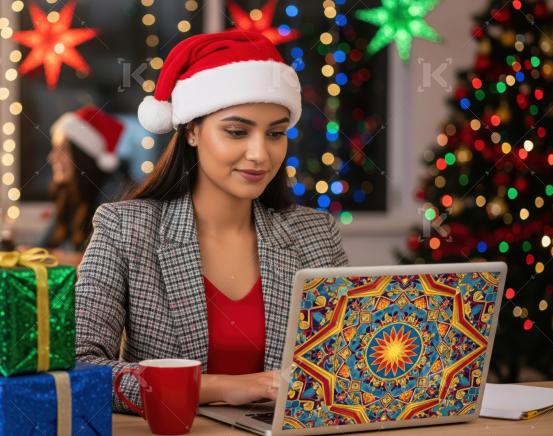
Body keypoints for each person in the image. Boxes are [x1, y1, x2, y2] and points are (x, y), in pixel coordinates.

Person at [75, 31, 349, 414]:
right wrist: (218, 387)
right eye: (237, 131)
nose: (260, 154)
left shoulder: (317, 234)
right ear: (191, 131)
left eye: (275, 133)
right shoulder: (126, 228)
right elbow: (80, 371)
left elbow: (345, 367)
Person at [39, 106, 135, 265]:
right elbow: (41, 246)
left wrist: (53, 257)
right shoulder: (69, 194)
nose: (52, 157)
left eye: (62, 150)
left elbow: (107, 262)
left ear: (82, 155)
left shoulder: (114, 197)